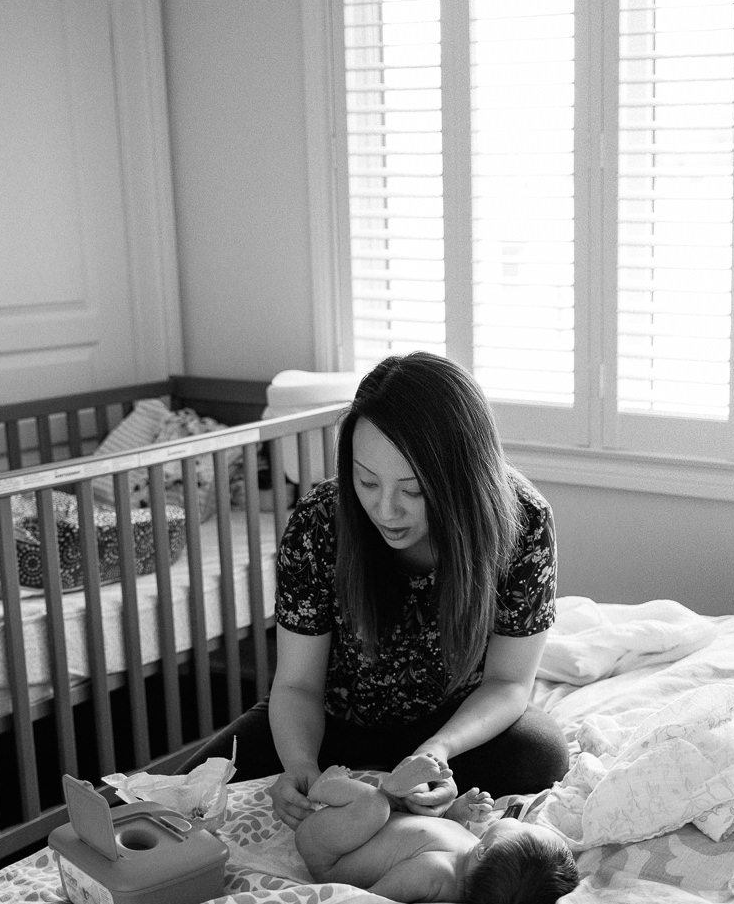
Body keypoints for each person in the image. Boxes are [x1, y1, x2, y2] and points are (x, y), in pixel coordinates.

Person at [181, 352, 568, 827]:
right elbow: (297, 684)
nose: (385, 510)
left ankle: (398, 792)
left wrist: (435, 755)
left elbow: (509, 684)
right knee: (172, 803)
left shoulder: (522, 521)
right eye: (367, 481)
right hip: (333, 723)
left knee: (540, 755)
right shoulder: (321, 520)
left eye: (414, 491)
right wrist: (301, 766)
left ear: (463, 480)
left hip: (449, 722)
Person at [296, 762, 579, 904]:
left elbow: (375, 897)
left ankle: (325, 787)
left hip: (331, 853)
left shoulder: (434, 874)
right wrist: (458, 814)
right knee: (417, 796)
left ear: (485, 851)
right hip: (364, 831)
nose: (518, 820)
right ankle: (393, 791)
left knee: (374, 805)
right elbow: (442, 830)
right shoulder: (470, 853)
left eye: (518, 826)